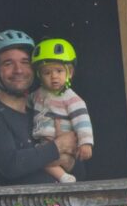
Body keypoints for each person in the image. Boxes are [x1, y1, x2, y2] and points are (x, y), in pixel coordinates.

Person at [0, 30, 78, 186]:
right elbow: (11, 166)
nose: (18, 70)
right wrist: (58, 147)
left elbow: (79, 172)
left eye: (25, 62)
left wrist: (71, 161)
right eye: (8, 63)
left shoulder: (43, 109)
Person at [31, 38, 93, 184]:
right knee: (40, 160)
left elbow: (82, 122)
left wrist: (86, 143)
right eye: (47, 73)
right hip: (45, 142)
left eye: (59, 71)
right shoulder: (37, 94)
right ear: (39, 75)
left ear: (69, 72)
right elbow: (27, 103)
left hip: (63, 143)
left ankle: (62, 177)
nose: (53, 77)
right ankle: (62, 177)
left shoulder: (72, 99)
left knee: (43, 161)